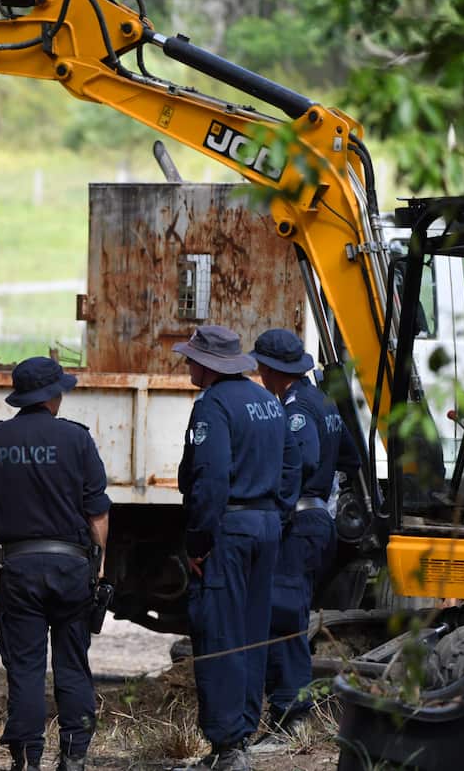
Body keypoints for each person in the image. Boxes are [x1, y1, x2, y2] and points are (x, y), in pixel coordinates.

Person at [0, 356, 110, 771]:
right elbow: (97, 511)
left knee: (25, 668)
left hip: (19, 571)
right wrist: (99, 565)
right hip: (72, 569)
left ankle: (27, 758)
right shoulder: (77, 440)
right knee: (72, 664)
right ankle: (74, 756)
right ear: (53, 396)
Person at [173, 326, 299, 771]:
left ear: (207, 365)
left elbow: (209, 479)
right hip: (265, 526)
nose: (186, 365)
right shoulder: (268, 401)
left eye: (190, 359)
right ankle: (242, 733)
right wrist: (276, 517)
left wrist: (198, 541)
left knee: (220, 634)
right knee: (251, 633)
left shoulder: (213, 405)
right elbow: (291, 466)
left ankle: (228, 747)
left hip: (230, 528)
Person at [248, 329, 361, 750]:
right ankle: (288, 713)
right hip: (319, 524)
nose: (259, 375)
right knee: (290, 617)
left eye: (262, 368)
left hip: (298, 524)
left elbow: (303, 457)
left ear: (278, 372)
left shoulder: (295, 410)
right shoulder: (325, 403)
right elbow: (352, 456)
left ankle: (290, 718)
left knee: (283, 620)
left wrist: (279, 504)